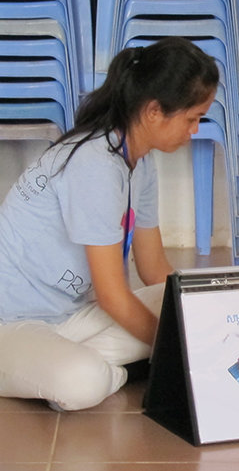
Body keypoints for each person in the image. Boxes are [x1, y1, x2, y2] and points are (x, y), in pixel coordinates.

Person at [0, 37, 219, 410]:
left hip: (75, 314)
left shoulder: (140, 162)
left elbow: (153, 270)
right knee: (81, 382)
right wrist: (182, 353)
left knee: (186, 305)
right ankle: (96, 369)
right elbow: (113, 296)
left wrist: (207, 319)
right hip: (13, 321)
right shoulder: (94, 164)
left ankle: (76, 364)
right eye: (192, 118)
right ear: (153, 112)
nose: (194, 130)